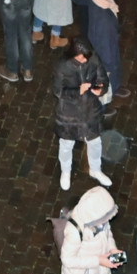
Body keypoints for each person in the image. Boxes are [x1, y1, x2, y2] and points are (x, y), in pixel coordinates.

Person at [53, 38, 113, 191]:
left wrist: (101, 88)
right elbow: (58, 91)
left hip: (90, 109)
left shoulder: (92, 58)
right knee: (66, 144)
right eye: (81, 56)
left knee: (94, 141)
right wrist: (77, 91)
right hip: (69, 113)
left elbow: (102, 78)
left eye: (86, 56)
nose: (84, 60)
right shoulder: (63, 66)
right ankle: (65, 171)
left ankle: (95, 169)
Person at [58, 186, 122, 274]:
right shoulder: (75, 232)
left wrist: (112, 248)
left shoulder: (100, 221)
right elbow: (67, 259)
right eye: (104, 219)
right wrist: (98, 260)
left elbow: (107, 233)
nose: (107, 222)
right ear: (94, 217)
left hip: (101, 272)